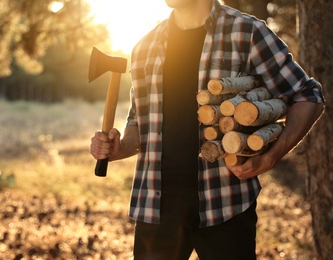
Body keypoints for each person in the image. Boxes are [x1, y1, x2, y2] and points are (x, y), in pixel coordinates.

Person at [90, 0, 325, 259]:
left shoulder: (246, 33)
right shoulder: (145, 47)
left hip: (225, 205)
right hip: (155, 208)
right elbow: (139, 122)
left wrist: (272, 156)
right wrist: (118, 147)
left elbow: (308, 96)